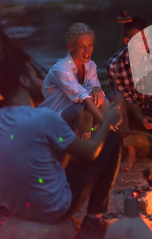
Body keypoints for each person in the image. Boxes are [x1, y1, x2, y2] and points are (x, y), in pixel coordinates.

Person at [0, 52, 122, 239]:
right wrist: (106, 123)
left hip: (18, 208)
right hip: (53, 208)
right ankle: (93, 220)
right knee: (112, 139)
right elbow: (89, 153)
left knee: (61, 146)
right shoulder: (43, 118)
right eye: (34, 76)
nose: (40, 81)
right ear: (24, 81)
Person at [107, 16, 152, 171]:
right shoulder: (114, 64)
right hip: (132, 114)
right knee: (114, 97)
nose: (146, 44)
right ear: (127, 42)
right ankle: (130, 152)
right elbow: (126, 98)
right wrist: (140, 118)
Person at [40, 23, 109, 141]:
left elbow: (94, 89)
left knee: (105, 101)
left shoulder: (90, 65)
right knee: (84, 110)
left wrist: (97, 89)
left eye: (90, 45)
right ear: (70, 47)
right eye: (82, 46)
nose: (88, 50)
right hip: (54, 118)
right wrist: (107, 122)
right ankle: (86, 149)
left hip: (75, 115)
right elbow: (84, 97)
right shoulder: (61, 69)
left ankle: (102, 142)